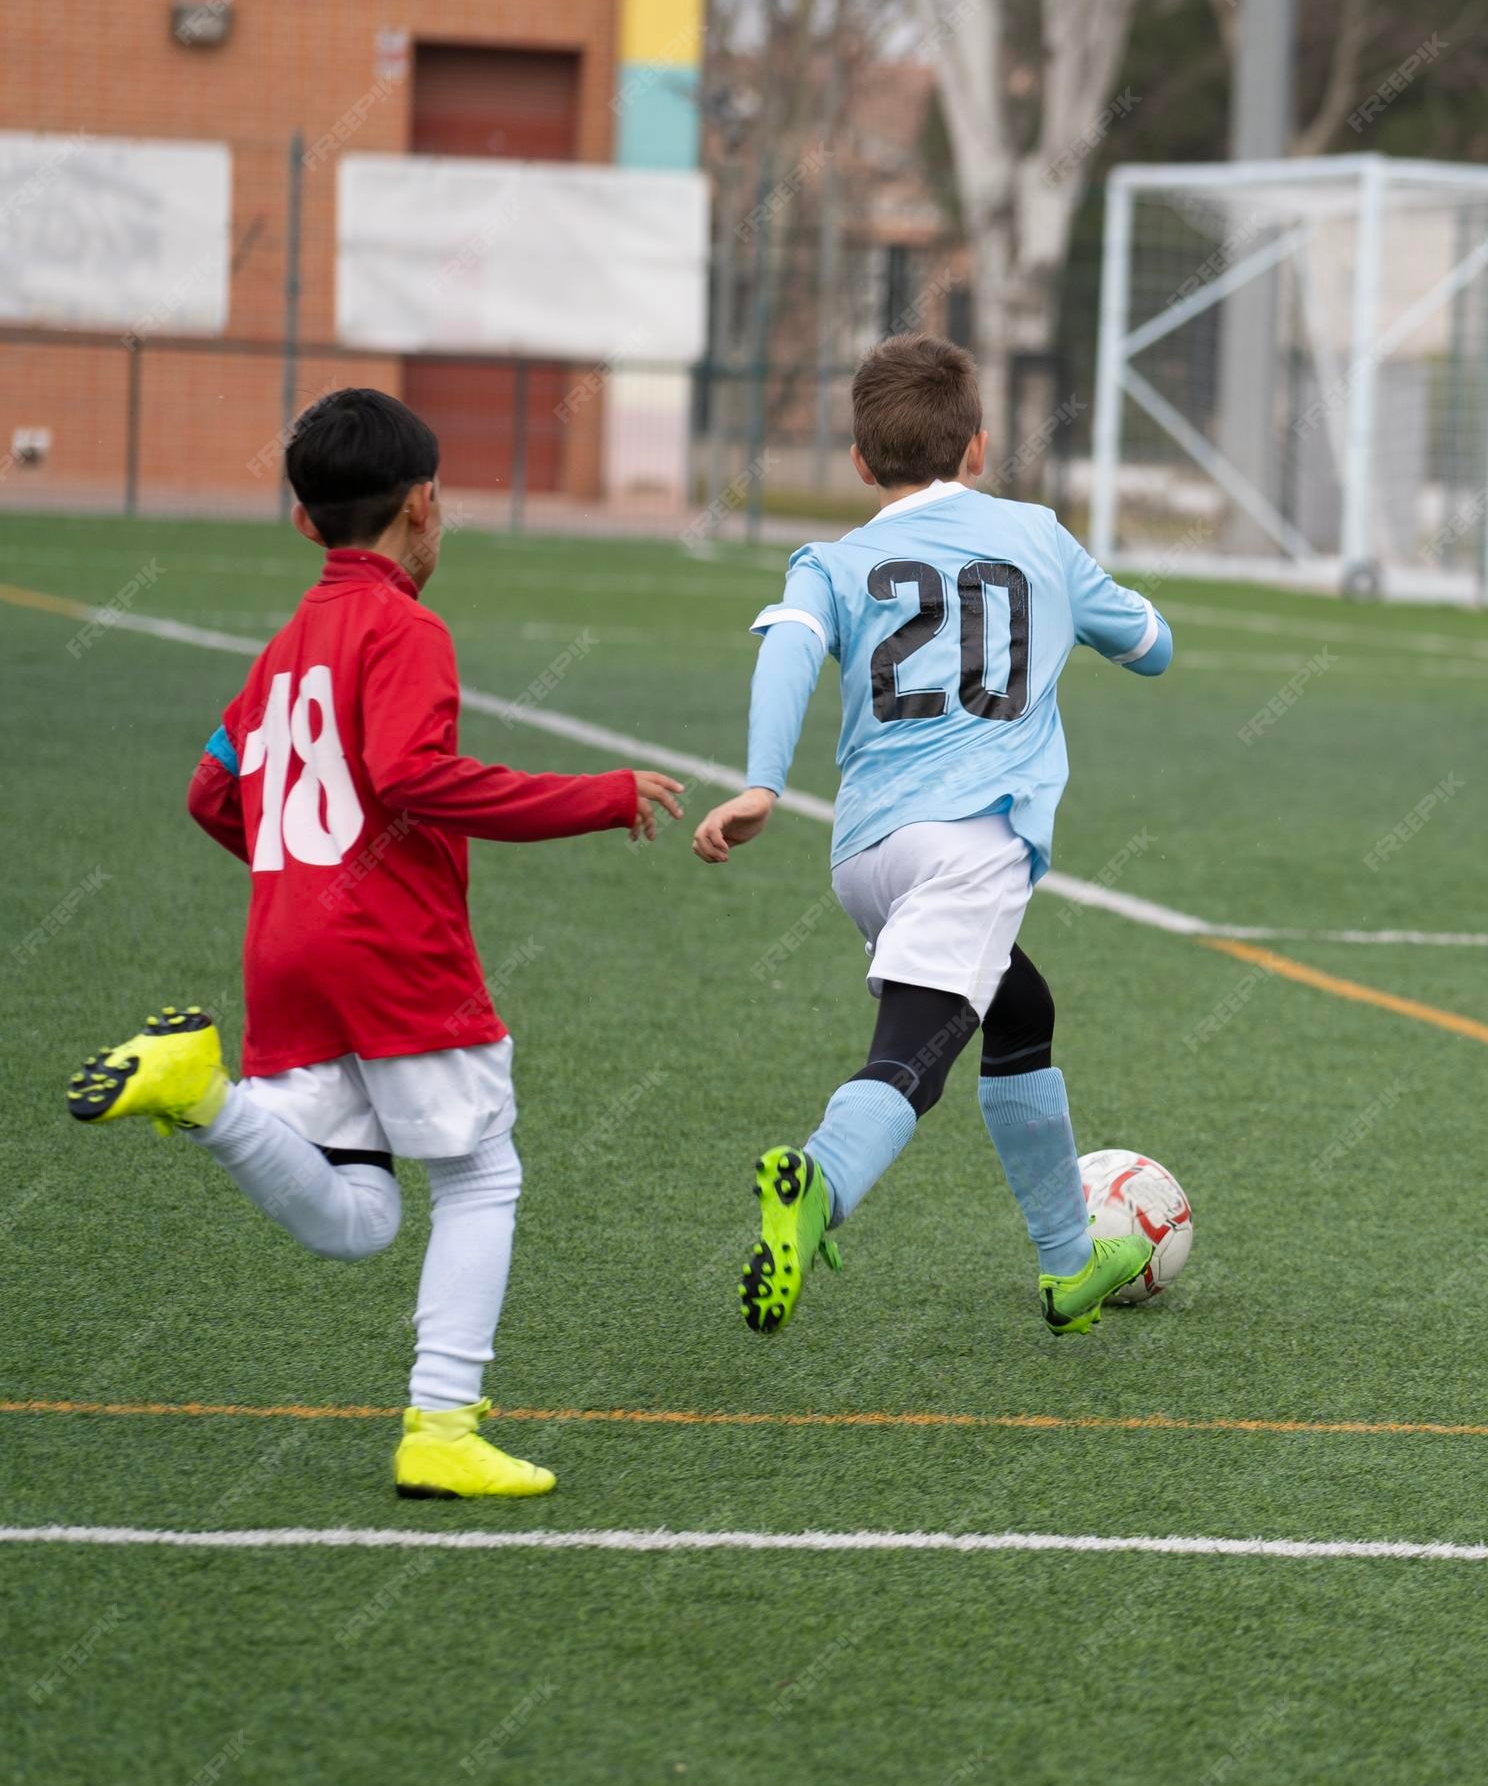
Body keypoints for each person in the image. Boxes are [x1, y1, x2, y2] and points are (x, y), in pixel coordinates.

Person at [66, 387, 683, 1496]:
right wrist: (599, 794)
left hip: (289, 947)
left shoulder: (285, 647)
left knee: (359, 1216)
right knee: (481, 1177)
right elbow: (411, 774)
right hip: (390, 950)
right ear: (424, 503)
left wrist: (299, 878)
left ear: (306, 523)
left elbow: (215, 790)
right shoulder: (405, 627)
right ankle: (441, 1428)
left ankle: (204, 1094)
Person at [692, 335, 1173, 1338]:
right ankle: (815, 1183)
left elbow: (787, 647)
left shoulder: (831, 558)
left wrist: (759, 787)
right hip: (969, 842)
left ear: (862, 463)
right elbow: (1151, 646)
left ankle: (1068, 1268)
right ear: (980, 446)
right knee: (916, 1052)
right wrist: (1109, 620)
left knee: (1019, 1006)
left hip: (865, 852)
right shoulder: (1037, 533)